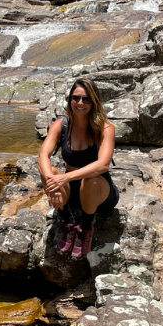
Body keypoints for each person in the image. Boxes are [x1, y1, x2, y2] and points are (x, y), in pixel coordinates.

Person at [38, 77, 119, 258]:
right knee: (48, 172)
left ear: (94, 101)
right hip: (72, 192)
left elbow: (103, 164)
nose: (80, 103)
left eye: (86, 99)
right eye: (76, 98)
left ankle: (85, 227)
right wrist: (52, 182)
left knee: (90, 179)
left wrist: (65, 178)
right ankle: (69, 223)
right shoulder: (61, 125)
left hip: (100, 192)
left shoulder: (105, 128)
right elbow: (43, 156)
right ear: (70, 100)